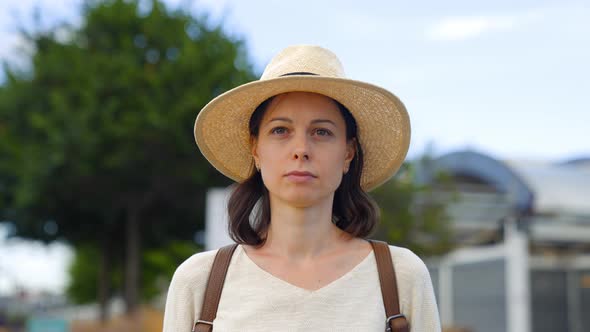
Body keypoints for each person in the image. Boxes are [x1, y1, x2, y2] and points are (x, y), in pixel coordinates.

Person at [163, 45, 441, 331]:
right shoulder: (200, 282)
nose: (301, 150)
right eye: (280, 130)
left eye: (322, 132)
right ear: (255, 149)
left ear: (348, 153)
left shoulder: (401, 277)